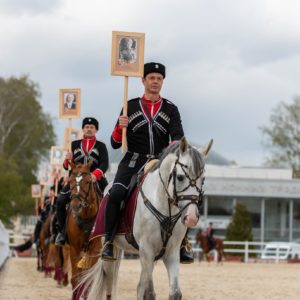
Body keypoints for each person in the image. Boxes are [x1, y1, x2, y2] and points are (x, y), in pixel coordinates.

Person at [101, 62, 194, 263]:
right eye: (151, 78)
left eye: (159, 78)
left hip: (160, 161)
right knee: (116, 192)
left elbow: (178, 136)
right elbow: (115, 143)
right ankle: (108, 241)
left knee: (182, 192)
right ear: (143, 81)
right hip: (133, 160)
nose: (155, 82)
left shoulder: (171, 109)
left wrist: (174, 147)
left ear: (163, 82)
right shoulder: (130, 106)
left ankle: (183, 243)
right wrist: (120, 127)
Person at [55, 117, 109, 246]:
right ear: (83, 129)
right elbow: (66, 166)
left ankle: (108, 234)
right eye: (87, 127)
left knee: (109, 200)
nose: (89, 129)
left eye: (92, 127)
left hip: (95, 179)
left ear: (96, 130)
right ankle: (62, 232)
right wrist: (66, 160)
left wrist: (95, 175)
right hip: (76, 180)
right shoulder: (73, 144)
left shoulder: (101, 146)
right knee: (61, 201)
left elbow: (104, 164)